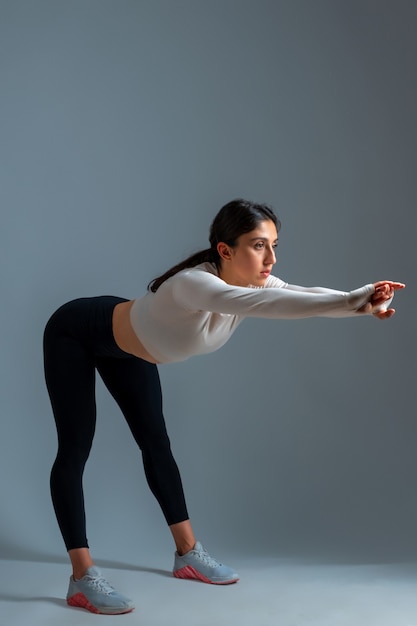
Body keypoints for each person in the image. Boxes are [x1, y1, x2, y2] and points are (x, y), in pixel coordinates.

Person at [43, 198, 404, 615]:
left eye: (273, 244)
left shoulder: (255, 283)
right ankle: (81, 577)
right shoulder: (193, 284)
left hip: (129, 348)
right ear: (225, 251)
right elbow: (275, 306)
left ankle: (187, 553)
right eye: (257, 245)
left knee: (156, 442)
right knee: (75, 449)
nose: (270, 257)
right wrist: (354, 299)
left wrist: (363, 303)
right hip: (76, 331)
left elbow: (300, 295)